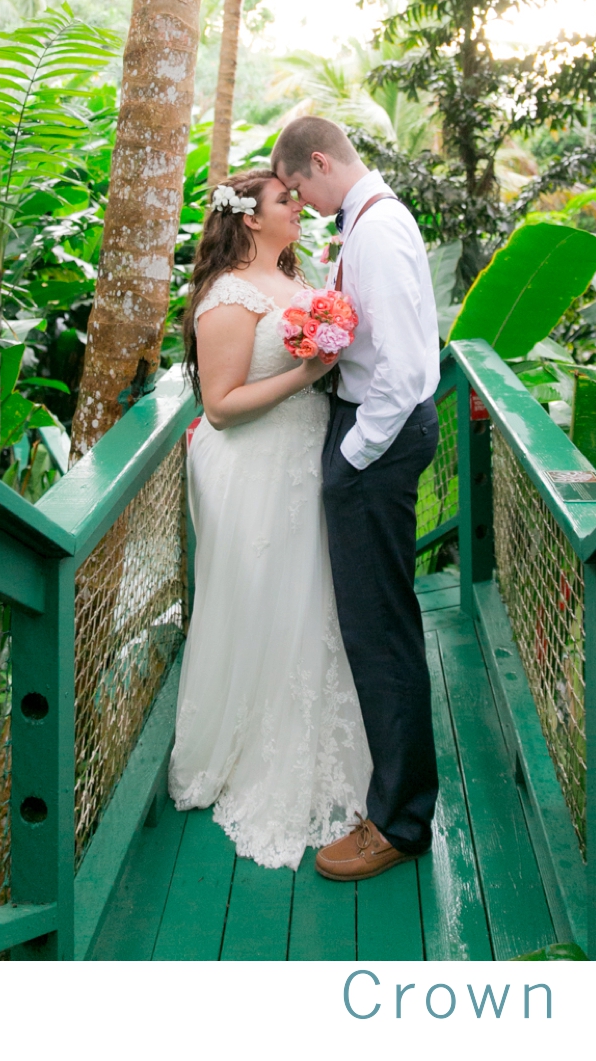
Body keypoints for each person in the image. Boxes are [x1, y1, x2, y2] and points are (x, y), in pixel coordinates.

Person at [166, 169, 373, 869]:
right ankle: (250, 748)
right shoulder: (227, 296)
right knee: (264, 601)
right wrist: (309, 372)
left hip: (307, 457)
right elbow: (220, 405)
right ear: (250, 219)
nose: (299, 206)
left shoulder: (302, 276)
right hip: (253, 467)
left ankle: (317, 739)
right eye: (286, 199)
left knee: (309, 600)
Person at [270, 116, 440, 882]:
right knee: (377, 625)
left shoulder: (374, 231)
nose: (301, 206)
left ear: (315, 163)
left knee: (380, 631)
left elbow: (402, 371)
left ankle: (400, 822)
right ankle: (395, 803)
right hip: (373, 434)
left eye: (299, 189)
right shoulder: (369, 221)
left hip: (376, 440)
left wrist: (350, 456)